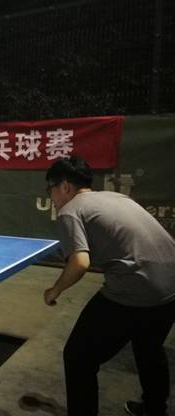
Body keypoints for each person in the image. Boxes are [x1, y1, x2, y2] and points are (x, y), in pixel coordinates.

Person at [43, 156, 174, 416]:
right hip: (171, 286)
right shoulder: (117, 197)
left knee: (78, 356)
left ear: (65, 186)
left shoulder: (71, 210)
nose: (52, 197)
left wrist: (54, 290)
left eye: (50, 189)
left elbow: (80, 263)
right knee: (149, 348)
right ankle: (155, 409)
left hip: (136, 287)